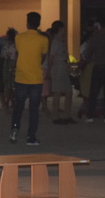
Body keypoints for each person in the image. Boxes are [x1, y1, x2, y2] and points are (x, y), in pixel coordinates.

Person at [9, 11, 48, 145]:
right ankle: (31, 137)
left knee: (18, 106)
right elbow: (42, 57)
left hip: (21, 77)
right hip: (36, 78)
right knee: (34, 109)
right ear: (39, 23)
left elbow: (19, 53)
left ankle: (14, 131)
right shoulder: (43, 39)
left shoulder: (19, 38)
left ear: (27, 23)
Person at [81, 15, 105, 123]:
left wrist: (84, 63)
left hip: (98, 66)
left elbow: (88, 53)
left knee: (93, 93)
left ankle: (90, 115)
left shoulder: (95, 37)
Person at [48, 21, 75, 124]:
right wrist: (49, 70)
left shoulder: (61, 41)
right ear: (59, 29)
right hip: (58, 67)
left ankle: (66, 115)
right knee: (58, 92)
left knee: (68, 91)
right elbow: (51, 57)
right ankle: (56, 117)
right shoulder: (56, 41)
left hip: (62, 66)